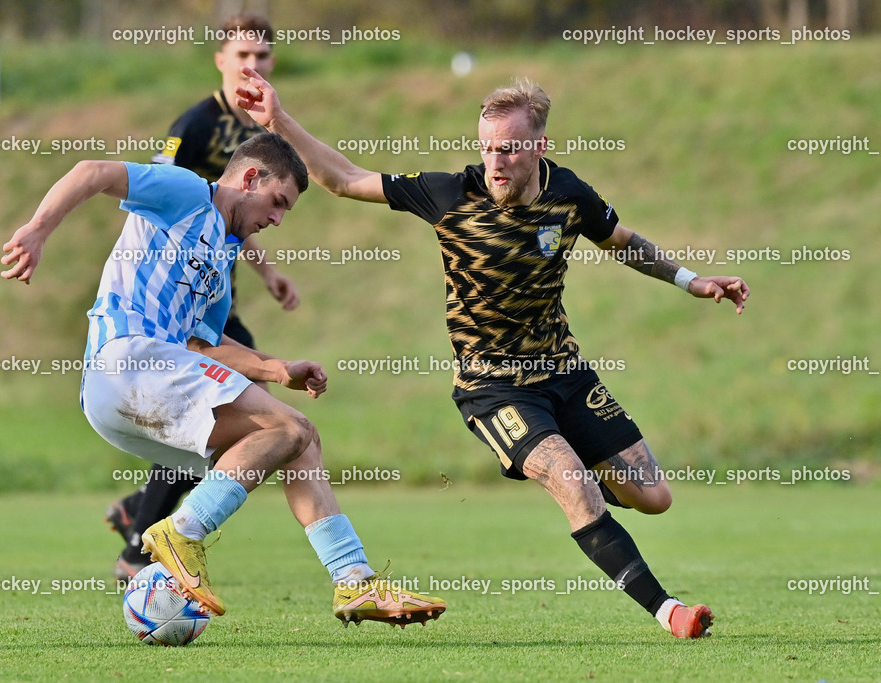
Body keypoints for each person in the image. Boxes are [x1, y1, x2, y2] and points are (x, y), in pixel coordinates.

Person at [234, 68, 751, 638]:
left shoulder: (569, 194)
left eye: (507, 149)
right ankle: (669, 610)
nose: (494, 162)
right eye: (486, 148)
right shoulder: (451, 194)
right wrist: (277, 120)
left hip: (565, 372)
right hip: (492, 385)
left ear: (539, 146)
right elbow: (344, 178)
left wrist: (689, 279)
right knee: (573, 486)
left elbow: (621, 240)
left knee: (652, 495)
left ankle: (579, 478)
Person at [0, 132, 446, 626]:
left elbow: (204, 346)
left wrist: (279, 368)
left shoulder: (222, 255)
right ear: (250, 178)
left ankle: (353, 581)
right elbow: (93, 171)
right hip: (127, 360)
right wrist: (38, 229)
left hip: (132, 389)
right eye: (277, 203)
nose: (276, 220)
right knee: (289, 428)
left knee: (298, 440)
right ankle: (181, 532)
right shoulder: (188, 192)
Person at [106, 13, 300, 582]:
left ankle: (140, 516)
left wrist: (266, 274)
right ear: (221, 60)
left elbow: (243, 219)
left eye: (263, 58)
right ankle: (141, 542)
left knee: (245, 400)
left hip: (217, 297)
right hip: (174, 302)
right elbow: (163, 197)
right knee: (232, 408)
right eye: (243, 56)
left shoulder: (265, 134)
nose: (253, 66)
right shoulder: (193, 125)